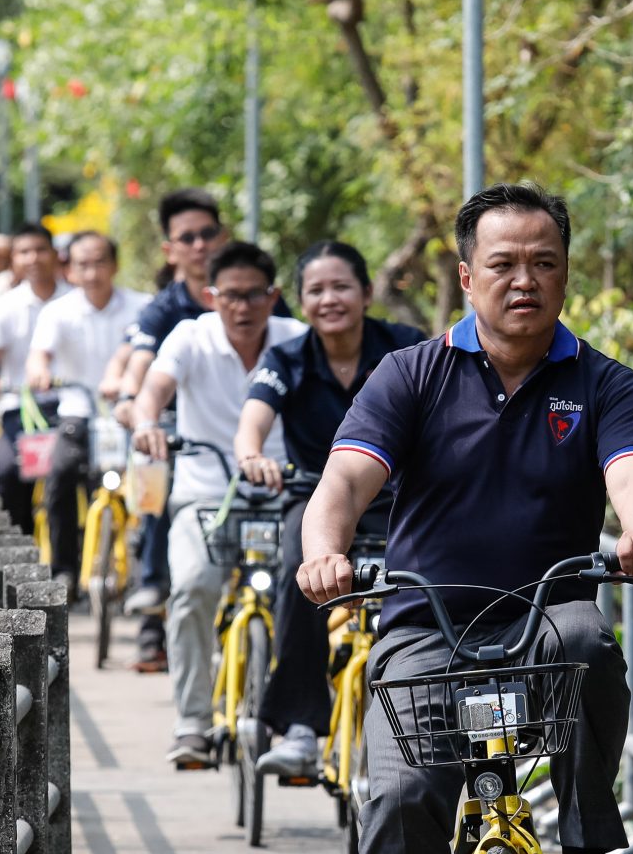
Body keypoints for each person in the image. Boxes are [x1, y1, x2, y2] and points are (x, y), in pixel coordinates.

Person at [295, 184, 633, 854]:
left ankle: (587, 852)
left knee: (590, 640)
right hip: (426, 628)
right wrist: (324, 551)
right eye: (503, 263)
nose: (524, 280)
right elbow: (345, 481)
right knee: (396, 805)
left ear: (566, 275)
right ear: (467, 277)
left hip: (544, 620)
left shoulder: (606, 384)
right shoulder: (411, 375)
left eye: (544, 262)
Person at [237, 242, 426, 779]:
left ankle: (431, 713)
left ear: (366, 293)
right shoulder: (286, 359)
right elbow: (254, 417)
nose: (329, 299)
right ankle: (301, 726)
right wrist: (251, 455)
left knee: (432, 569)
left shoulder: (406, 349)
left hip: (394, 498)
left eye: (341, 287)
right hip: (314, 499)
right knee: (298, 564)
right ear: (300, 303)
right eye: (316, 290)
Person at [131, 243, 307, 768]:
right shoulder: (190, 336)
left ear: (273, 296)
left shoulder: (297, 339)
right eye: (231, 295)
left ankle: (299, 721)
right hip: (205, 493)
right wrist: (146, 422)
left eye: (254, 295)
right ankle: (191, 722)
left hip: (286, 492)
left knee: (308, 593)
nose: (242, 307)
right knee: (191, 587)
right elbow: (153, 389)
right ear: (211, 297)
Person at [114, 189, 286, 673]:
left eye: (207, 234)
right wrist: (138, 410)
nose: (199, 244)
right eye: (187, 238)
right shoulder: (171, 315)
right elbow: (144, 370)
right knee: (184, 566)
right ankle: (153, 591)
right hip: (197, 468)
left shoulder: (288, 330)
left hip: (280, 484)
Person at [26, 230, 150, 594]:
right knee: (60, 477)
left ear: (115, 265)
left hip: (133, 412)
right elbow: (39, 354)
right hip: (79, 411)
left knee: (153, 485)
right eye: (83, 264)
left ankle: (151, 574)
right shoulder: (58, 311)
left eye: (100, 263)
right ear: (71, 268)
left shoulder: (142, 307)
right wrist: (39, 371)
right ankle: (64, 568)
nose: (92, 273)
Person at [0, 226, 70, 536]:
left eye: (40, 250)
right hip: (20, 409)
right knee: (9, 473)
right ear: (14, 259)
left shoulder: (75, 300)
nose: (33, 258)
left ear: (55, 255)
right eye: (24, 252)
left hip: (70, 408)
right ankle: (20, 543)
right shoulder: (5, 306)